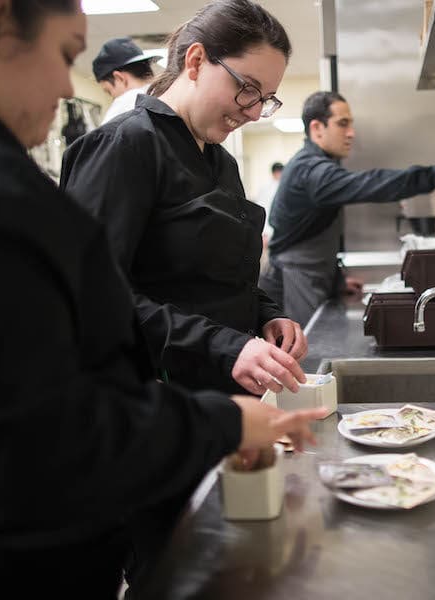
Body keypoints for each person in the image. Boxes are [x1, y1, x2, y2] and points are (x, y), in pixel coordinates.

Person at [0, 1, 324, 598]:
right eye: (63, 54)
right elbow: (39, 429)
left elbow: (223, 277)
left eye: (264, 99)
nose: (66, 84)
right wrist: (218, 417)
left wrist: (264, 315)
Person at [61, 0, 308, 398]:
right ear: (195, 62)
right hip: (155, 397)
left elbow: (212, 278)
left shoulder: (219, 161)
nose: (254, 111)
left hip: (222, 391)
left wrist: (266, 315)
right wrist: (227, 345)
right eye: (247, 89)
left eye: (266, 98)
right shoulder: (125, 145)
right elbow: (91, 295)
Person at [260, 91, 435, 325]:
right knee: (305, 351)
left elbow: (305, 231)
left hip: (311, 273)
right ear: (317, 128)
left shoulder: (312, 165)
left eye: (351, 124)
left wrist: (336, 280)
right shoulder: (312, 171)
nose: (351, 133)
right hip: (298, 276)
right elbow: (373, 184)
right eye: (342, 124)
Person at [93, 36, 157, 125]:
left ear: (120, 78)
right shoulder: (165, 94)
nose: (113, 98)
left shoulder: (128, 101)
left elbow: (102, 137)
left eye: (109, 91)